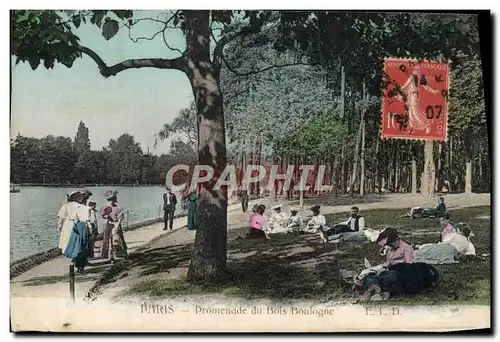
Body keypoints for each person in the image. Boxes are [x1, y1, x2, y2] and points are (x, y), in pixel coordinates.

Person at [63, 189, 93, 273]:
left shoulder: (85, 208)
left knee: (80, 246)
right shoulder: (84, 208)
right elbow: (85, 220)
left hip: (80, 227)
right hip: (80, 227)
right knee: (80, 247)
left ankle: (80, 265)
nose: (83, 201)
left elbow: (76, 219)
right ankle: (79, 265)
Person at [100, 190, 128, 263]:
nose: (111, 201)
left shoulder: (118, 207)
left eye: (112, 199)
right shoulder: (105, 207)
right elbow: (103, 215)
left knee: (118, 240)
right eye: (110, 200)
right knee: (107, 240)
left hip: (116, 224)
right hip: (108, 224)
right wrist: (107, 217)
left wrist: (117, 225)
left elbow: (120, 217)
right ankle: (110, 256)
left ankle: (120, 255)